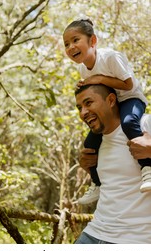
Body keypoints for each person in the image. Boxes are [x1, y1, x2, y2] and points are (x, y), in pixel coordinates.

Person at [63, 18, 151, 204]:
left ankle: (148, 168)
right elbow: (97, 90)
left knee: (128, 123)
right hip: (113, 103)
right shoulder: (82, 69)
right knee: (89, 142)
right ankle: (97, 184)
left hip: (130, 98)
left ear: (93, 41)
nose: (71, 47)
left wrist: (99, 79)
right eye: (66, 44)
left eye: (75, 40)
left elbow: (128, 84)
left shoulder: (110, 57)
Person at [75, 84, 151, 244]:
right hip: (94, 233)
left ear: (110, 100)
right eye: (79, 107)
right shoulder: (95, 143)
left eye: (88, 103)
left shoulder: (144, 125)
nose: (83, 113)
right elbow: (119, 184)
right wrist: (89, 169)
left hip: (136, 240)